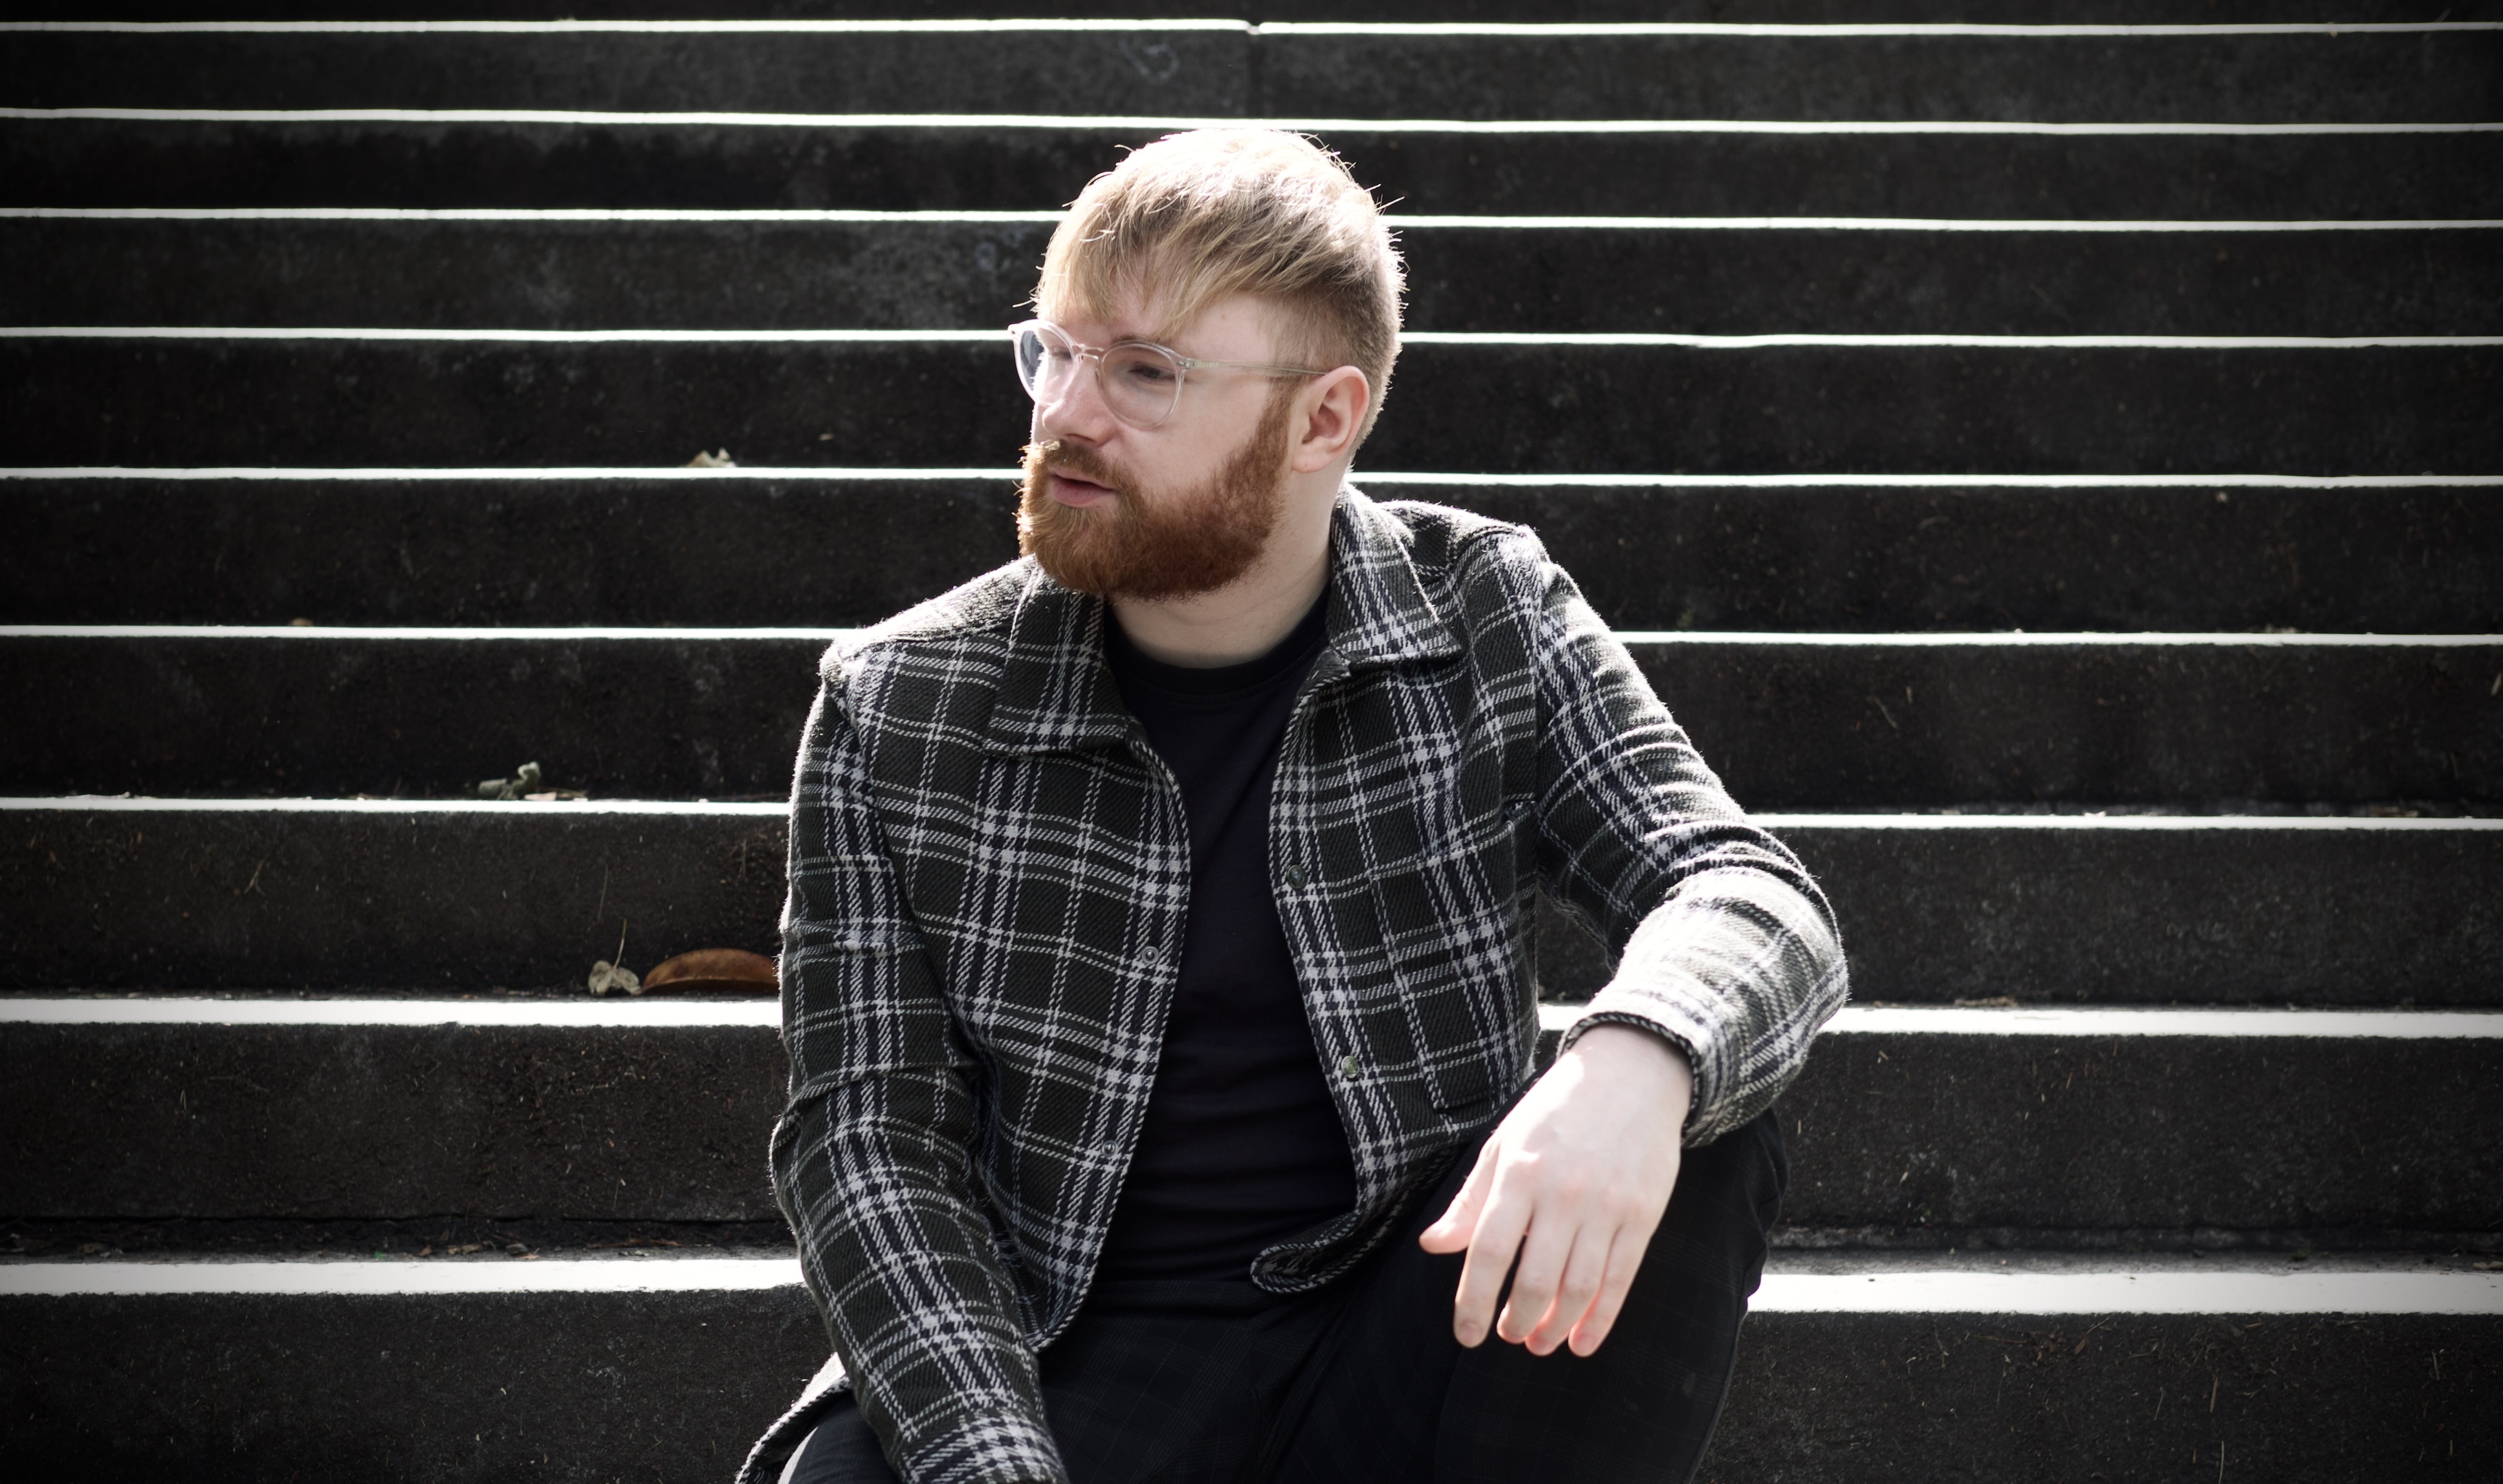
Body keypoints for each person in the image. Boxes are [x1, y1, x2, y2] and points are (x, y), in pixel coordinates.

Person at [740, 128, 1847, 1484]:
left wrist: (1634, 1059)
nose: (1068, 415)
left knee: (1699, 1115)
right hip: (1075, 1351)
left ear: (1324, 417)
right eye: (1056, 350)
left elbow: (1743, 890)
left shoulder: (1478, 608)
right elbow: (869, 1140)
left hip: (1414, 1324)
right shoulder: (899, 703)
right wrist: (994, 1465)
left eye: (1144, 372)